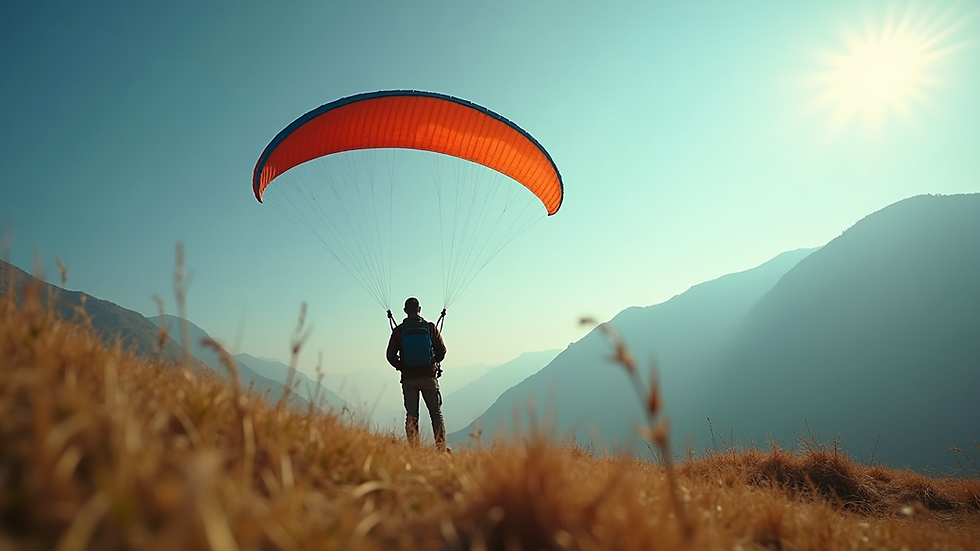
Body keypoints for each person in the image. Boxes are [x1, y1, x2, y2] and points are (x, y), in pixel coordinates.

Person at [386, 297, 448, 450]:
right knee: (435, 413)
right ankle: (441, 449)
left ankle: (414, 450)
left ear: (405, 311)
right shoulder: (430, 328)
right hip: (428, 377)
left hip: (409, 379)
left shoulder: (399, 331)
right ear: (419, 309)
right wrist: (433, 363)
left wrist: (402, 366)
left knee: (412, 415)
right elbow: (442, 351)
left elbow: (390, 356)